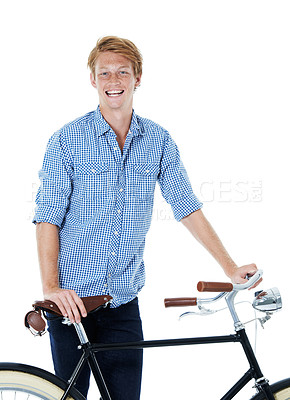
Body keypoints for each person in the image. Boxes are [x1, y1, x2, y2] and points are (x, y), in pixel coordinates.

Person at [33, 36, 259, 400]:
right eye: (104, 72)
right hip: (71, 303)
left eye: (123, 71)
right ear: (93, 80)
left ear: (138, 78)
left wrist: (229, 268)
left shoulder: (158, 141)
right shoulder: (66, 141)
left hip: (123, 302)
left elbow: (186, 206)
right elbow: (48, 216)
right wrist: (51, 287)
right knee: (69, 397)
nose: (113, 80)